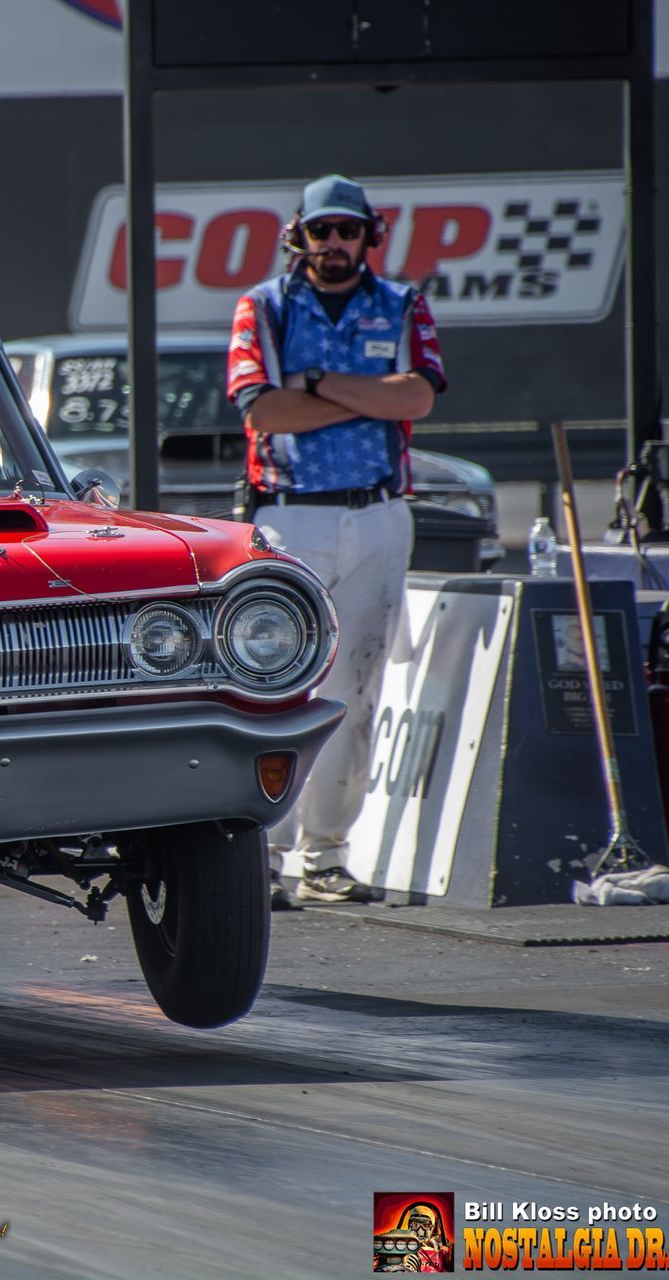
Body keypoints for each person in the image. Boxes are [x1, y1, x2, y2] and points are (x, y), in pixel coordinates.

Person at [224, 175, 446, 906]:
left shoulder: (403, 303)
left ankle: (325, 857)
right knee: (280, 687)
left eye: (348, 231)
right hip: (292, 514)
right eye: (322, 231)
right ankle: (266, 853)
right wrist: (366, 394)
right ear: (300, 235)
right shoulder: (262, 305)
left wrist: (318, 384)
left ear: (368, 236)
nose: (335, 244)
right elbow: (265, 415)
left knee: (358, 688)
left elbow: (417, 398)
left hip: (380, 514)